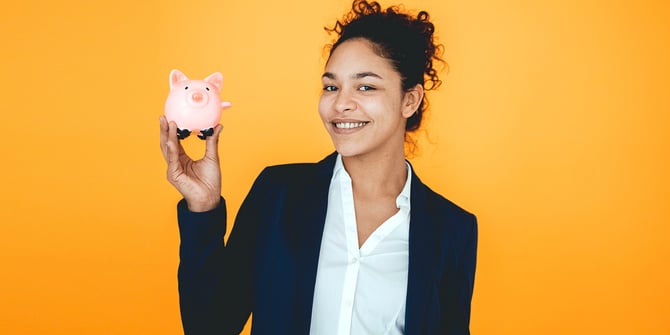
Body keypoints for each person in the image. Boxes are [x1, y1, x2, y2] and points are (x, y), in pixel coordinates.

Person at [159, 0, 477, 334]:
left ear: (409, 100)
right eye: (331, 86)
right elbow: (209, 326)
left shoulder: (452, 230)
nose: (341, 103)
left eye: (366, 86)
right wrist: (203, 206)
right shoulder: (278, 194)